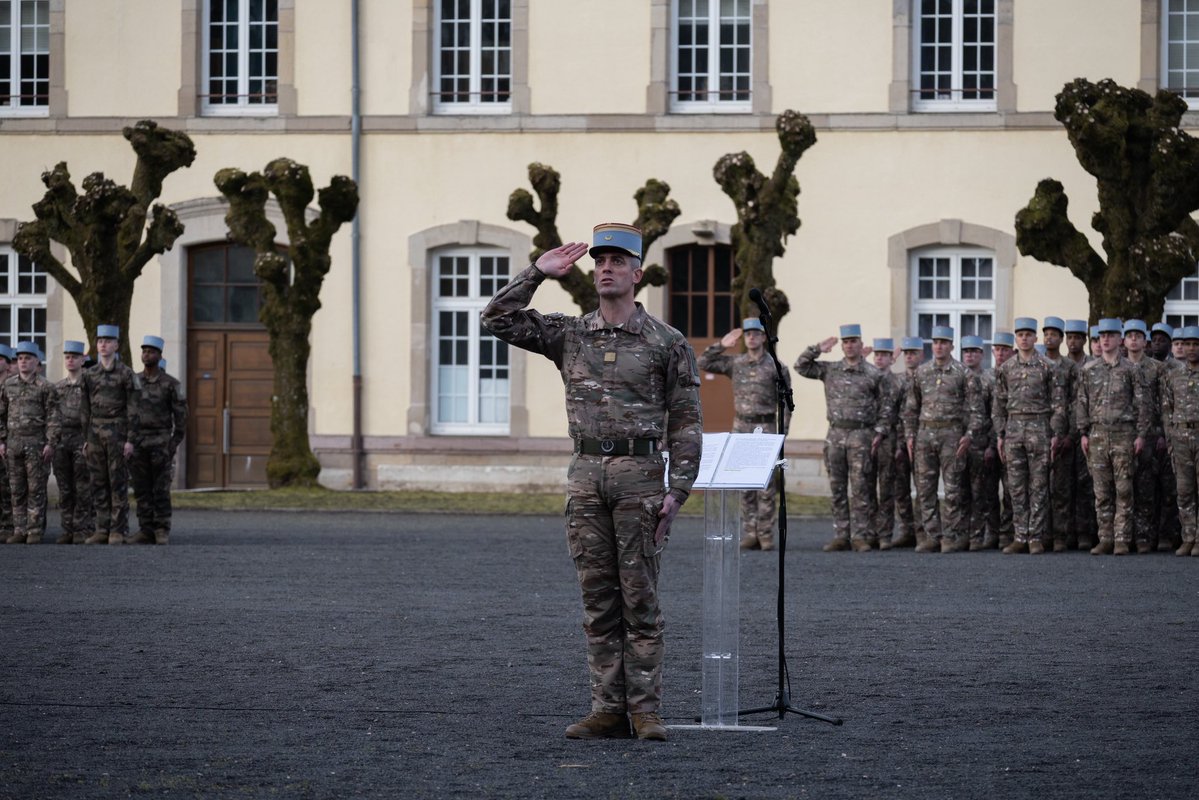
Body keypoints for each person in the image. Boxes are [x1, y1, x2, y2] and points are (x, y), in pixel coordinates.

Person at [481, 223, 702, 742]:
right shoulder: (571, 334)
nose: (605, 268)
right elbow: (497, 318)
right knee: (598, 598)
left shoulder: (666, 343)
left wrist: (679, 490)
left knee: (640, 598)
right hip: (586, 480)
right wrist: (537, 272)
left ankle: (645, 710)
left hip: (641, 481)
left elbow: (687, 420)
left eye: (617, 261)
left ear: (636, 274)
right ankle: (607, 707)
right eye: (599, 260)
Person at [698, 318, 790, 551]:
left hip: (766, 428)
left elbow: (786, 403)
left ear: (763, 337)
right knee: (744, 482)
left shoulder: (776, 367)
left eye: (756, 334)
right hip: (741, 428)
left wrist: (782, 433)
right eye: (747, 334)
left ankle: (766, 533)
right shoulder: (735, 363)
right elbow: (703, 362)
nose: (751, 337)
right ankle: (750, 532)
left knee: (767, 484)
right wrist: (721, 344)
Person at [795, 324, 888, 552]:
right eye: (845, 342)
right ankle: (841, 535)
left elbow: (886, 405)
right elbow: (801, 366)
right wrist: (817, 348)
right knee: (837, 488)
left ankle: (861, 535)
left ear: (860, 343)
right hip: (835, 434)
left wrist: (879, 431)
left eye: (853, 341)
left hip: (861, 435)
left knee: (861, 488)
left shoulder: (873, 374)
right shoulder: (831, 369)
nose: (849, 346)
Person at [903, 326, 984, 553]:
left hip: (952, 435)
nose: (939, 346)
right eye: (936, 342)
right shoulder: (922, 372)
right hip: (925, 436)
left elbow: (976, 410)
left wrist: (969, 436)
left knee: (953, 489)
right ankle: (931, 536)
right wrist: (910, 436)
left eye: (944, 342)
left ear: (951, 346)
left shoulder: (963, 373)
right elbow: (911, 408)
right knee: (925, 489)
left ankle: (950, 536)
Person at [1075, 318, 1151, 555]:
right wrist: (1083, 433)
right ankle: (1105, 537)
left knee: (1124, 489)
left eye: (1110, 335)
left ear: (1120, 339)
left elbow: (1142, 404)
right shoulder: (1089, 370)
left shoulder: (1131, 370)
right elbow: (1082, 403)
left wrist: (1141, 435)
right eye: (1101, 336)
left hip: (1123, 434)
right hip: (1097, 434)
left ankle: (1121, 538)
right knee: (1101, 490)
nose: (1105, 339)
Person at [993, 319, 1066, 554]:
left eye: (1028, 334)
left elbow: (1058, 404)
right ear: (1016, 339)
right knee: (1015, 486)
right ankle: (1020, 535)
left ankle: (1036, 536)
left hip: (1039, 428)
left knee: (1039, 484)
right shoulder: (1006, 368)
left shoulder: (1047, 367)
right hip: (1014, 429)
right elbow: (999, 404)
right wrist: (1000, 434)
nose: (1024, 338)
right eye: (1020, 334)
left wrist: (1054, 432)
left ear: (1036, 338)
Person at [81, 325, 140, 546]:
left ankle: (118, 529)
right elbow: (84, 407)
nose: (103, 344)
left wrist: (130, 440)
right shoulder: (90, 374)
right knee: (98, 482)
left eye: (108, 341)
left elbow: (134, 409)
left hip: (117, 432)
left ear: (116, 345)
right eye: (100, 341)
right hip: (95, 433)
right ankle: (101, 528)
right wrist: (85, 437)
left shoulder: (126, 374)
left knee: (118, 482)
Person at [127, 336, 187, 545]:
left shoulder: (171, 384)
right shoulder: (134, 382)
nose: (147, 355)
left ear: (159, 356)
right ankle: (145, 529)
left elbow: (181, 418)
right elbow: (127, 411)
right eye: (144, 351)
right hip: (138, 443)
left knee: (160, 489)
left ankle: (161, 529)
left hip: (161, 442)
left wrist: (172, 444)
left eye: (151, 352)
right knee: (141, 489)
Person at [0, 342, 57, 544]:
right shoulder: (8, 385)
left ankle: (34, 530)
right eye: (20, 358)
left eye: (28, 358)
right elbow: (2, 414)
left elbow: (53, 417)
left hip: (37, 444)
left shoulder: (46, 387)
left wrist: (50, 443)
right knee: (17, 489)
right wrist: (2, 440)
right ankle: (19, 529)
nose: (23, 362)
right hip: (14, 444)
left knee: (36, 489)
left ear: (36, 362)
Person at [1123, 319, 1167, 554]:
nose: (1133, 339)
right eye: (1129, 335)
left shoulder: (1156, 368)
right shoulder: (1117, 367)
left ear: (1144, 341)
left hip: (1149, 436)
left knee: (1146, 487)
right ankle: (1124, 535)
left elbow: (1163, 403)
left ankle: (1143, 537)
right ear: (1124, 340)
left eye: (1137, 336)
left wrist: (1161, 433)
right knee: (1122, 488)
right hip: (1122, 434)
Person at [1160, 325, 1199, 557]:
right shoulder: (1174, 375)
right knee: (1184, 490)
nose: (1191, 349)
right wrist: (1170, 437)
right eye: (1187, 344)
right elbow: (1167, 409)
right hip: (1180, 437)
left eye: (1195, 344)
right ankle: (1188, 537)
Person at [50, 340, 94, 544]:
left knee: (83, 487)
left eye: (74, 357)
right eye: (67, 357)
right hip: (61, 441)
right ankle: (67, 529)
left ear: (83, 359)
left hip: (82, 439)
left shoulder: (90, 385)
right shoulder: (58, 387)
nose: (70, 360)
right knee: (65, 488)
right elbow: (51, 416)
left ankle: (83, 528)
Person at [1042, 316, 1079, 552]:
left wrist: (1071, 435)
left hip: (1063, 434)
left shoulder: (1070, 368)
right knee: (1038, 488)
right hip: (1036, 432)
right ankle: (1041, 534)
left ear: (1061, 339)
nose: (1049, 338)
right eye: (1046, 334)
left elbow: (1076, 403)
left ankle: (1060, 537)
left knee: (1061, 488)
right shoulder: (1035, 364)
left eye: (1054, 334)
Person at [959, 335, 997, 550]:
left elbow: (995, 414)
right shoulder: (956, 378)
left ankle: (978, 536)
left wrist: (991, 444)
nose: (970, 355)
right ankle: (963, 534)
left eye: (974, 351)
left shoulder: (989, 380)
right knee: (960, 492)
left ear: (982, 354)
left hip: (981, 444)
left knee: (981, 493)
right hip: (958, 444)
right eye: (966, 351)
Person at [890, 337, 924, 548]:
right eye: (907, 353)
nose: (910, 356)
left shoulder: (927, 377)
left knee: (923, 489)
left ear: (921, 355)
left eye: (914, 353)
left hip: (924, 439)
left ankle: (922, 531)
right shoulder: (896, 380)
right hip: (900, 439)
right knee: (900, 488)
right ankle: (906, 529)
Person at [869, 338, 902, 550]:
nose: (879, 358)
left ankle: (885, 535)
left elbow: (899, 415)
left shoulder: (898, 383)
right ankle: (870, 531)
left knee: (887, 490)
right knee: (866, 489)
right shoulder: (866, 378)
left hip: (888, 441)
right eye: (877, 355)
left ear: (892, 358)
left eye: (884, 355)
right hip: (864, 439)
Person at [990, 332, 1016, 548]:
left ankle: (1008, 533)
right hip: (988, 440)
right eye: (997, 349)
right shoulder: (984, 377)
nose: (1000, 353)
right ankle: (992, 532)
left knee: (1011, 489)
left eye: (1004, 349)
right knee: (988, 490)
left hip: (1014, 438)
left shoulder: (1016, 373)